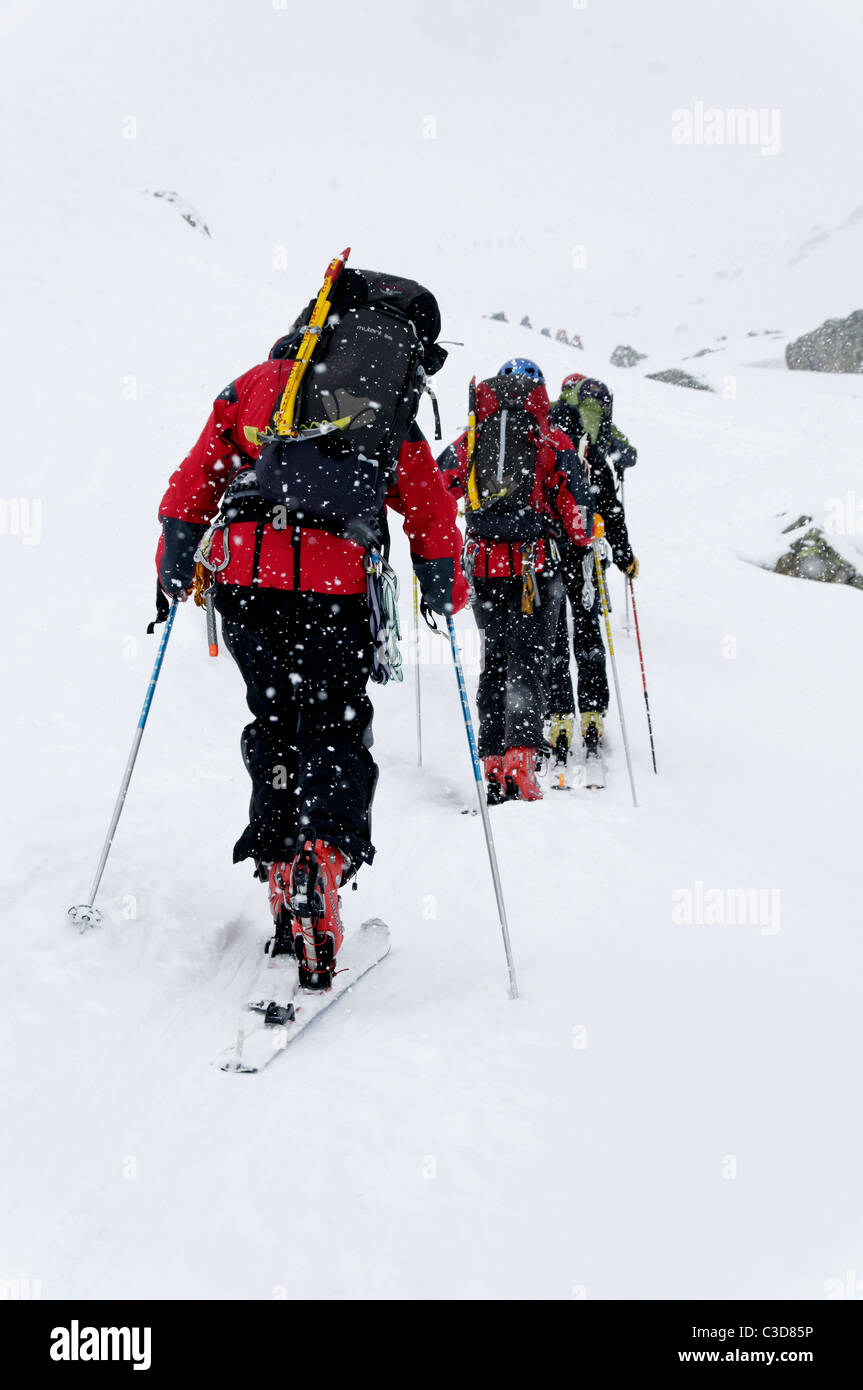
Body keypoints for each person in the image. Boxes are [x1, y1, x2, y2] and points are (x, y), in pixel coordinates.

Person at [155, 261, 468, 990]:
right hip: (334, 584)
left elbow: (194, 476)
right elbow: (426, 506)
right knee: (333, 723)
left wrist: (173, 557)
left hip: (245, 577)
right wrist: (440, 585)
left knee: (273, 719)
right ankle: (320, 863)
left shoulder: (256, 385)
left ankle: (276, 869)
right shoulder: (384, 399)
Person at [437, 358, 591, 804]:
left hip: (483, 567)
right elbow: (577, 519)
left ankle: (491, 764)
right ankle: (521, 763)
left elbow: (437, 487)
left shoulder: (475, 437)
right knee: (529, 663)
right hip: (534, 568)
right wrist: (581, 538)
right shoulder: (551, 439)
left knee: (496, 662)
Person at [545, 374, 638, 762]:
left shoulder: (547, 438)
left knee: (551, 634)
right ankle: (593, 712)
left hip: (547, 549)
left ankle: (559, 713)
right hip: (587, 552)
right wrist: (624, 556)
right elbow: (611, 511)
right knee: (587, 629)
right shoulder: (591, 452)